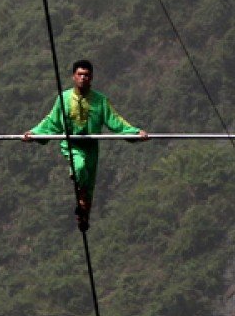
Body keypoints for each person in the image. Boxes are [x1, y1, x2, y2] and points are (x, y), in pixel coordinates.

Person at [25, 60, 147, 231]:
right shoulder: (64, 99)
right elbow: (51, 121)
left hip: (91, 146)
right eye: (80, 74)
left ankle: (83, 216)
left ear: (91, 78)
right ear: (73, 77)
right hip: (72, 144)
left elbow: (115, 120)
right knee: (79, 166)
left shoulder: (100, 100)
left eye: (86, 75)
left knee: (88, 184)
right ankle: (81, 201)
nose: (83, 78)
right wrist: (34, 133)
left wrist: (135, 133)